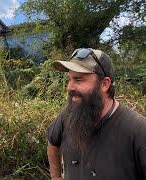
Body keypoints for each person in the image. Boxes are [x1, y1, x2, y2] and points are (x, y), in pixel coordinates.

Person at [46, 48, 146, 180]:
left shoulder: (138, 130)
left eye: (78, 80)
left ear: (104, 84)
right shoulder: (68, 114)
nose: (69, 87)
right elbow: (52, 143)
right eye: (69, 79)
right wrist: (56, 176)